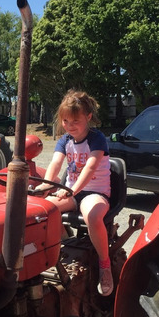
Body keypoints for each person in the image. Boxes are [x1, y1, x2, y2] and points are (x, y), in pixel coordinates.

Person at [36, 89, 113, 296]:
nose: (70, 126)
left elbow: (90, 167)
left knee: (93, 216)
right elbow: (55, 163)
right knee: (42, 209)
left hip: (93, 193)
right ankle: (62, 245)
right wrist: (45, 185)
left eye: (75, 121)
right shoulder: (65, 140)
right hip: (71, 192)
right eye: (65, 121)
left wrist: (71, 191)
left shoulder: (97, 139)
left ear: (88, 117)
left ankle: (105, 265)